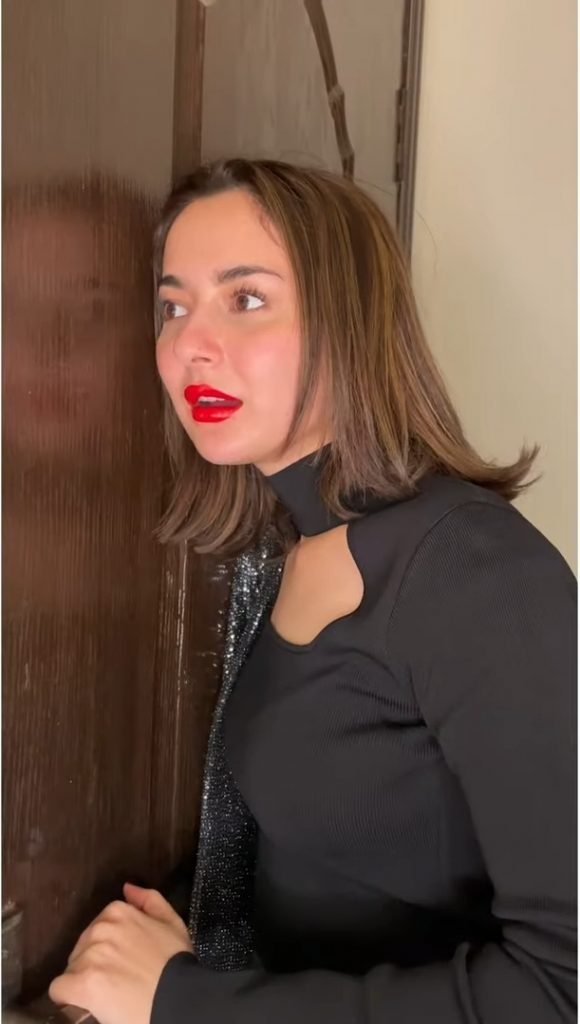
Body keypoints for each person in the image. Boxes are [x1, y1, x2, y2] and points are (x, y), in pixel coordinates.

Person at [49, 158, 577, 1023]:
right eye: (173, 306)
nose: (189, 345)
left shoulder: (476, 573)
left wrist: (186, 1002)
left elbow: (564, 989)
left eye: (246, 297)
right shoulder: (283, 550)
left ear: (350, 323)